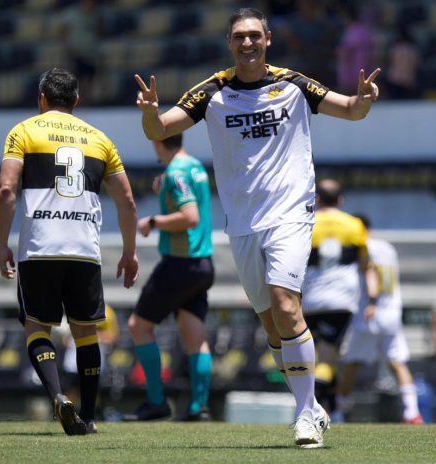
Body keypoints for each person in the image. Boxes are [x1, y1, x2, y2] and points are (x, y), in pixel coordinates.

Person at [134, 7, 379, 448]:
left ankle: (304, 415)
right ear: (229, 42)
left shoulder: (294, 84)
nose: (247, 43)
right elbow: (161, 127)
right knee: (271, 326)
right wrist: (150, 112)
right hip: (244, 224)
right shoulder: (212, 91)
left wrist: (363, 99)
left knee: (286, 305)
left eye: (254, 35)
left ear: (268, 39)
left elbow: (350, 110)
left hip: (291, 214)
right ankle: (312, 405)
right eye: (239, 37)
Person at [0, 68, 139, 435]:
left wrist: (2, 244)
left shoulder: (23, 131)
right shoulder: (100, 139)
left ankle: (58, 395)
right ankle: (89, 417)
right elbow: (127, 201)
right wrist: (129, 252)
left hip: (40, 247)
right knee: (86, 332)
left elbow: (6, 190)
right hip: (84, 248)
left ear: (42, 98)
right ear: (76, 100)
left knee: (37, 326)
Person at [122, 134, 214, 422]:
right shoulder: (194, 166)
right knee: (195, 337)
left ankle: (156, 401)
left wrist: (153, 222)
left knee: (138, 326)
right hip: (202, 264)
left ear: (157, 141)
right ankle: (199, 408)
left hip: (179, 264)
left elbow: (190, 216)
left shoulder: (175, 172)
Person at [333, 214, 423, 424]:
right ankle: (412, 412)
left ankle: (338, 413)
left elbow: (370, 273)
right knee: (398, 363)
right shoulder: (388, 248)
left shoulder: (362, 248)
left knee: (351, 363)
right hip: (391, 311)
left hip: (368, 313)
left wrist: (371, 301)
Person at [300, 179, 374, 412]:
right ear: (340, 200)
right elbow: (366, 265)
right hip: (342, 299)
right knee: (328, 357)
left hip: (310, 299)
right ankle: (316, 407)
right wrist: (372, 299)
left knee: (317, 354)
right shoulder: (354, 225)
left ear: (317, 199)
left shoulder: (306, 223)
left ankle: (327, 406)